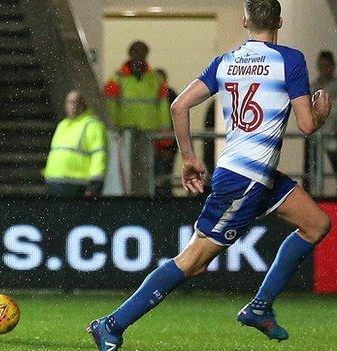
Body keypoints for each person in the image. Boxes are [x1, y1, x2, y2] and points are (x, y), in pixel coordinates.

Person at [87, 1, 332, 350]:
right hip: (247, 178)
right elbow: (307, 125)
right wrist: (321, 110)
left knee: (316, 224)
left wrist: (188, 158)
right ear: (279, 20)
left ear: (245, 20)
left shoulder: (226, 62)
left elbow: (179, 105)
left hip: (248, 172)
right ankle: (111, 324)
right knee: (193, 262)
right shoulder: (289, 59)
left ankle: (260, 307)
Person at [43, 90, 107, 196]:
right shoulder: (62, 125)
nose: (72, 106)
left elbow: (99, 156)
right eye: (69, 102)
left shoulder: (93, 126)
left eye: (76, 102)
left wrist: (95, 184)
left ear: (83, 105)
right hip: (54, 183)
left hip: (76, 185)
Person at [153, 68, 178, 197]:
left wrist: (170, 146)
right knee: (158, 175)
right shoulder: (155, 95)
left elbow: (175, 124)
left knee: (164, 175)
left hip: (166, 143)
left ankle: (164, 196)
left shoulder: (169, 95)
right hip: (156, 143)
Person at [313, 51, 337, 172]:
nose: (325, 70)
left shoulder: (335, 86)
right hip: (315, 134)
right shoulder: (313, 87)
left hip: (332, 134)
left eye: (327, 66)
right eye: (322, 67)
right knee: (311, 171)